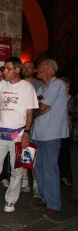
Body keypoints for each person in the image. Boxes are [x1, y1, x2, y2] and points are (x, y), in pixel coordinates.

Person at [0, 57, 38, 212]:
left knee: (16, 169)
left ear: (17, 70)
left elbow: (30, 112)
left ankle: (11, 200)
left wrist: (26, 133)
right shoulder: (2, 84)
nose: (5, 72)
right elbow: (0, 108)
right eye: (4, 69)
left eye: (8, 69)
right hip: (1, 133)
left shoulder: (27, 87)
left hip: (19, 133)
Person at [31, 59, 69, 217]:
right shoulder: (44, 87)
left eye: (39, 66)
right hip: (38, 132)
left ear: (48, 68)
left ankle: (54, 203)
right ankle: (46, 197)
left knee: (50, 168)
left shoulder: (57, 84)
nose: (36, 69)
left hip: (51, 133)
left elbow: (42, 107)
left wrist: (38, 105)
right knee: (38, 167)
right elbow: (36, 105)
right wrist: (38, 105)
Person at [20, 61, 44, 197]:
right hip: (21, 124)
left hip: (34, 123)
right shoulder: (19, 84)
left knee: (34, 153)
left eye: (29, 67)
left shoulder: (39, 85)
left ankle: (36, 185)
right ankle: (24, 183)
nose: (26, 69)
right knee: (24, 151)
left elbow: (38, 106)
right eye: (24, 67)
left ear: (34, 69)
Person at [58, 76, 73, 186]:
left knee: (64, 153)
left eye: (67, 87)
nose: (65, 89)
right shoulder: (57, 97)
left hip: (66, 130)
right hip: (56, 129)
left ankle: (63, 175)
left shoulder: (70, 99)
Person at [68, 82, 78, 204]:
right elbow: (68, 113)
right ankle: (75, 196)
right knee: (75, 168)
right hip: (75, 138)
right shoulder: (75, 99)